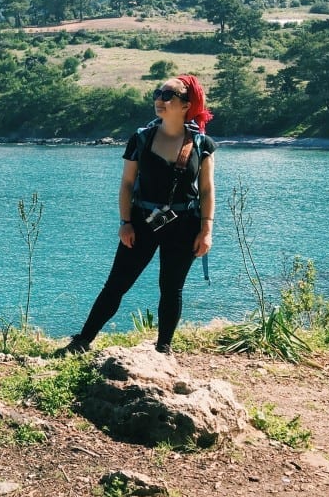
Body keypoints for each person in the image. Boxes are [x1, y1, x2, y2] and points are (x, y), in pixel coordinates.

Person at [59, 74, 216, 355]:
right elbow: (127, 184)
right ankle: (82, 340)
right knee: (117, 284)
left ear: (186, 104)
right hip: (142, 222)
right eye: (158, 93)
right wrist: (125, 223)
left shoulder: (202, 144)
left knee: (171, 289)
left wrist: (206, 231)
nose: (159, 99)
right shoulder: (141, 138)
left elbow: (206, 190)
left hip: (185, 226)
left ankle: (163, 349)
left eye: (168, 95)